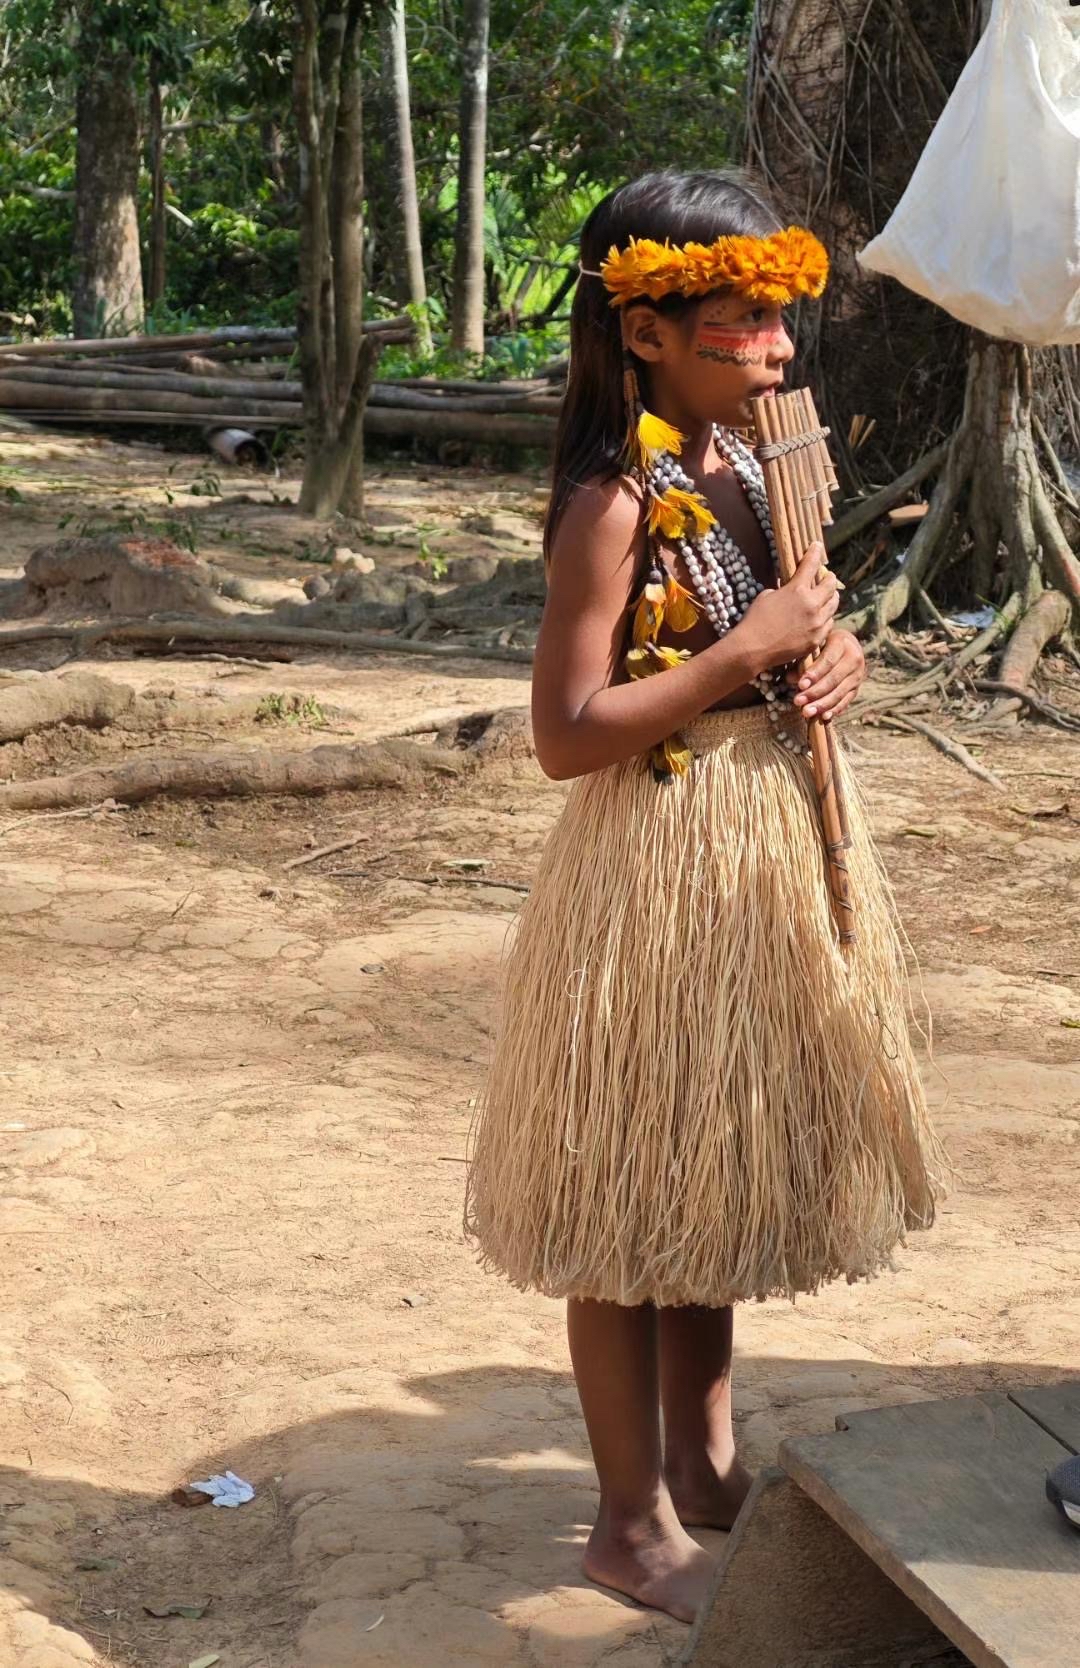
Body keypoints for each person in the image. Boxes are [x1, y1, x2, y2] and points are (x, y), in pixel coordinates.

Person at [464, 170, 944, 1626]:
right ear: (650, 331)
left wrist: (832, 659)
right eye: (744, 321)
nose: (780, 349)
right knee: (627, 1190)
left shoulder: (751, 466)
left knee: (703, 1162)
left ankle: (707, 1458)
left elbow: (796, 625)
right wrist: (749, 656)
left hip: (760, 844)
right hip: (651, 857)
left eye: (782, 318)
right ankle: (625, 1519)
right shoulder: (617, 498)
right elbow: (564, 734)